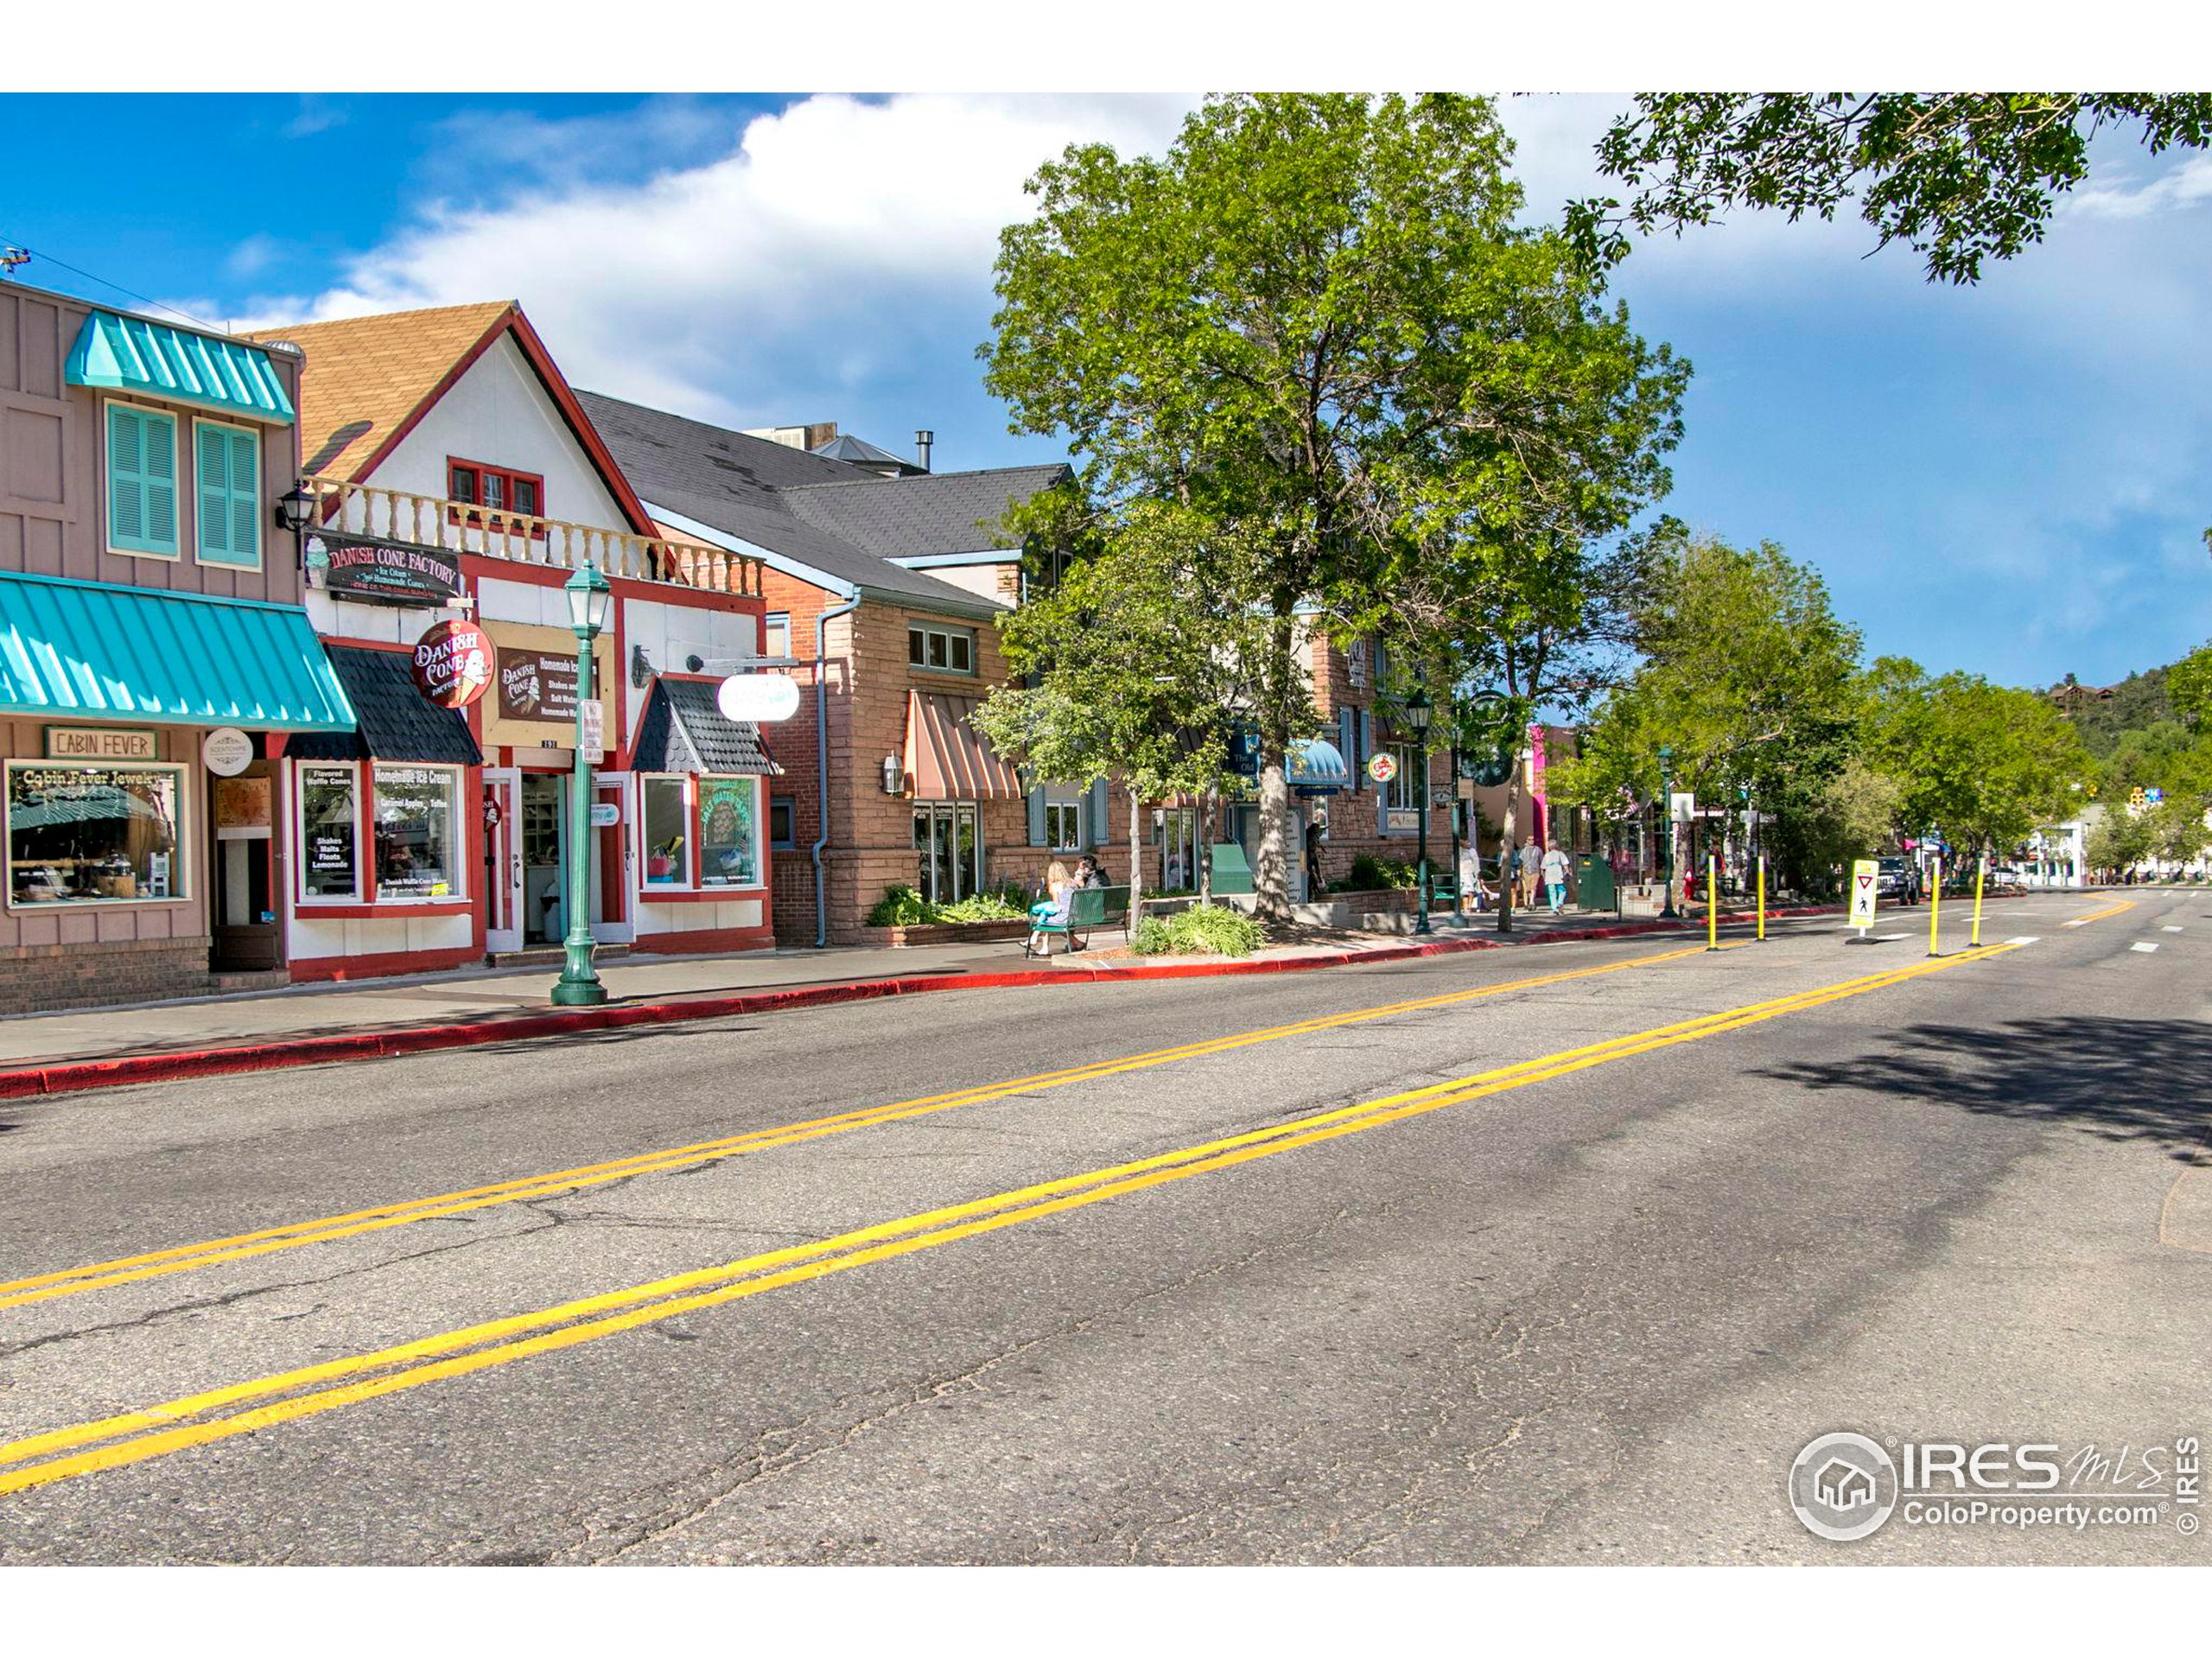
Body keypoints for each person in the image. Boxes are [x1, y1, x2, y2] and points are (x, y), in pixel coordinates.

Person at [1027, 859, 1075, 955]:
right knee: (1047, 916)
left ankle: (1041, 944)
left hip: (1065, 917)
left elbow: (1056, 905)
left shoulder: (1055, 885)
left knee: (1045, 918)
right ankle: (1077, 943)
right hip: (1077, 916)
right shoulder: (1073, 883)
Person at [1541, 842, 1571, 914]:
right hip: (1558, 874)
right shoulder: (1560, 854)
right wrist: (1567, 872)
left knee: (1552, 893)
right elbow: (1565, 864)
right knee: (1562, 891)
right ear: (1556, 846)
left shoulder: (1546, 855)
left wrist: (1544, 877)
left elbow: (1542, 869)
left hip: (1549, 876)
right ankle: (1560, 903)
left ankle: (1554, 908)